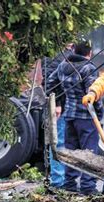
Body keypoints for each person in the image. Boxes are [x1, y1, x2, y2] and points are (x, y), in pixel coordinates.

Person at [47, 40, 104, 195]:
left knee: (71, 152)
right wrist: (100, 113)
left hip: (69, 116)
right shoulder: (89, 68)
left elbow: (50, 83)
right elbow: (93, 95)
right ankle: (88, 187)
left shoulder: (63, 66)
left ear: (73, 50)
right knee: (89, 153)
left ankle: (70, 185)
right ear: (89, 53)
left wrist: (59, 102)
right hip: (86, 118)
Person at [42, 43, 74, 188]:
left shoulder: (62, 53)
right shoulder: (57, 55)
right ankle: (58, 181)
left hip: (64, 104)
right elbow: (51, 81)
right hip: (59, 105)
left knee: (60, 141)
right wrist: (58, 103)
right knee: (58, 142)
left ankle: (60, 180)